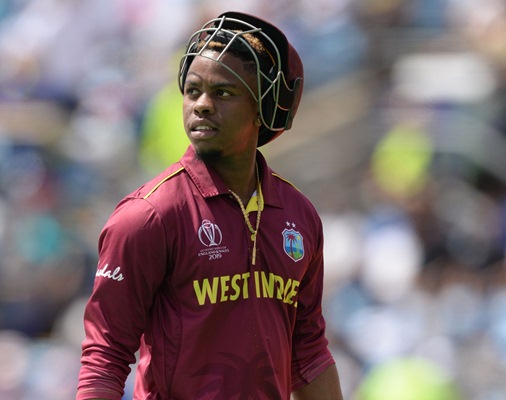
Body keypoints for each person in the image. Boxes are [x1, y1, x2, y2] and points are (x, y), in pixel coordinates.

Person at [76, 11, 343, 400]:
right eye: (192, 90)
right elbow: (104, 357)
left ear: (263, 108)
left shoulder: (298, 215)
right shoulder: (147, 216)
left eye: (223, 93)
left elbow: (308, 352)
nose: (200, 105)